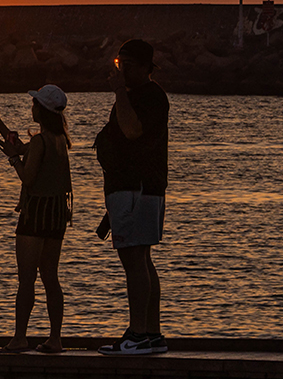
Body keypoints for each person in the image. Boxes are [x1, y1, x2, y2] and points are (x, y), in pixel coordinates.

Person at [94, 39, 169, 355]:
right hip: (134, 189)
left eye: (125, 65)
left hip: (136, 189)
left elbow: (131, 130)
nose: (120, 70)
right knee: (142, 259)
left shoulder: (149, 97)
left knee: (134, 260)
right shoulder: (139, 95)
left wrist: (119, 93)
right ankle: (150, 332)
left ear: (142, 67)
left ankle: (138, 334)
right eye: (117, 64)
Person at [0, 85, 72, 354]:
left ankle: (20, 337)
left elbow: (28, 177)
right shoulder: (59, 140)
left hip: (35, 215)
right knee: (50, 278)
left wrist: (12, 160)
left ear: (42, 110)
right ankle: (55, 339)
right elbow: (23, 147)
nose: (31, 107)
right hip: (56, 215)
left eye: (35, 104)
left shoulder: (40, 141)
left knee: (26, 280)